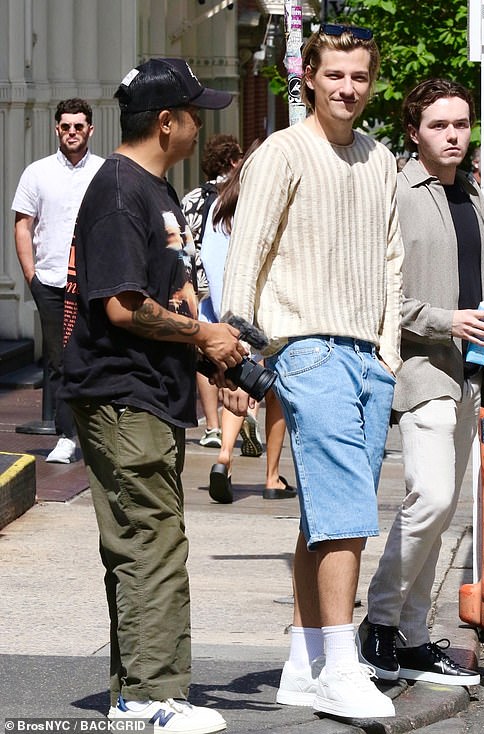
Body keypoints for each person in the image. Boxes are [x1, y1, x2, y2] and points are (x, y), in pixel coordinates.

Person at [221, 24, 403, 719]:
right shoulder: (280, 153)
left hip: (366, 355)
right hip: (306, 347)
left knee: (324, 513)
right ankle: (342, 664)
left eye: (359, 76)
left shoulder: (381, 158)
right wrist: (237, 347)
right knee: (350, 513)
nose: (348, 88)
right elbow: (249, 254)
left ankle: (305, 660)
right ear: (309, 77)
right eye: (335, 75)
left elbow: (391, 261)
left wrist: (387, 353)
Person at [60, 58, 246, 732]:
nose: (201, 127)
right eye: (195, 115)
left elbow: (170, 290)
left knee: (150, 542)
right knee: (152, 543)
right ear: (165, 122)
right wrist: (202, 334)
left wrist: (210, 350)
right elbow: (119, 306)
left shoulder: (157, 191)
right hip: (121, 392)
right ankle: (149, 698)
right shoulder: (118, 192)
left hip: (150, 393)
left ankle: (141, 694)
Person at [358, 79, 484, 686]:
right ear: (414, 132)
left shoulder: (472, 196)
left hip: (468, 372)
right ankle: (378, 623)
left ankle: (411, 637)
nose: (455, 135)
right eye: (440, 125)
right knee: (430, 497)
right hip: (421, 368)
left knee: (443, 509)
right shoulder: (399, 194)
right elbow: (383, 293)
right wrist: (444, 319)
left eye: (462, 124)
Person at [199, 143, 296, 503]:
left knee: (238, 387)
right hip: (265, 317)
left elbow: (210, 261)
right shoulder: (264, 206)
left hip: (227, 316)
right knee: (274, 395)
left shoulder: (219, 206)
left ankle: (224, 456)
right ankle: (271, 477)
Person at [12, 98, 105, 464]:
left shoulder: (103, 171)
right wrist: (31, 275)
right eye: (65, 126)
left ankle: (96, 433)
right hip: (49, 280)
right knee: (59, 359)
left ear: (90, 130)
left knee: (96, 354)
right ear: (56, 129)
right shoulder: (36, 173)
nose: (71, 133)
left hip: (92, 281)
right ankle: (66, 435)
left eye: (78, 126)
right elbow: (23, 224)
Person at [182, 133, 243, 449]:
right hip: (226, 284)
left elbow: (181, 244)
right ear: (233, 161)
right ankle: (243, 413)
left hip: (194, 287)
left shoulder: (190, 199)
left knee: (203, 351)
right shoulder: (237, 198)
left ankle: (212, 425)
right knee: (242, 350)